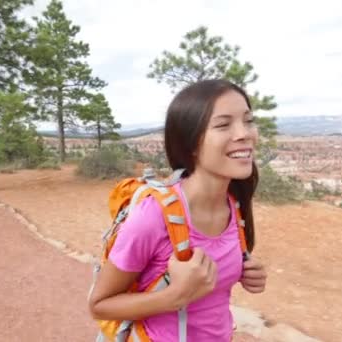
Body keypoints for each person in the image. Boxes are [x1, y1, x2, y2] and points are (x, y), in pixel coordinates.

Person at [88, 79, 268, 341]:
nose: (244, 133)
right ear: (191, 144)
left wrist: (248, 273)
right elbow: (99, 305)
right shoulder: (154, 215)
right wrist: (175, 296)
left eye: (248, 120)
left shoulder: (234, 204)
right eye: (223, 124)